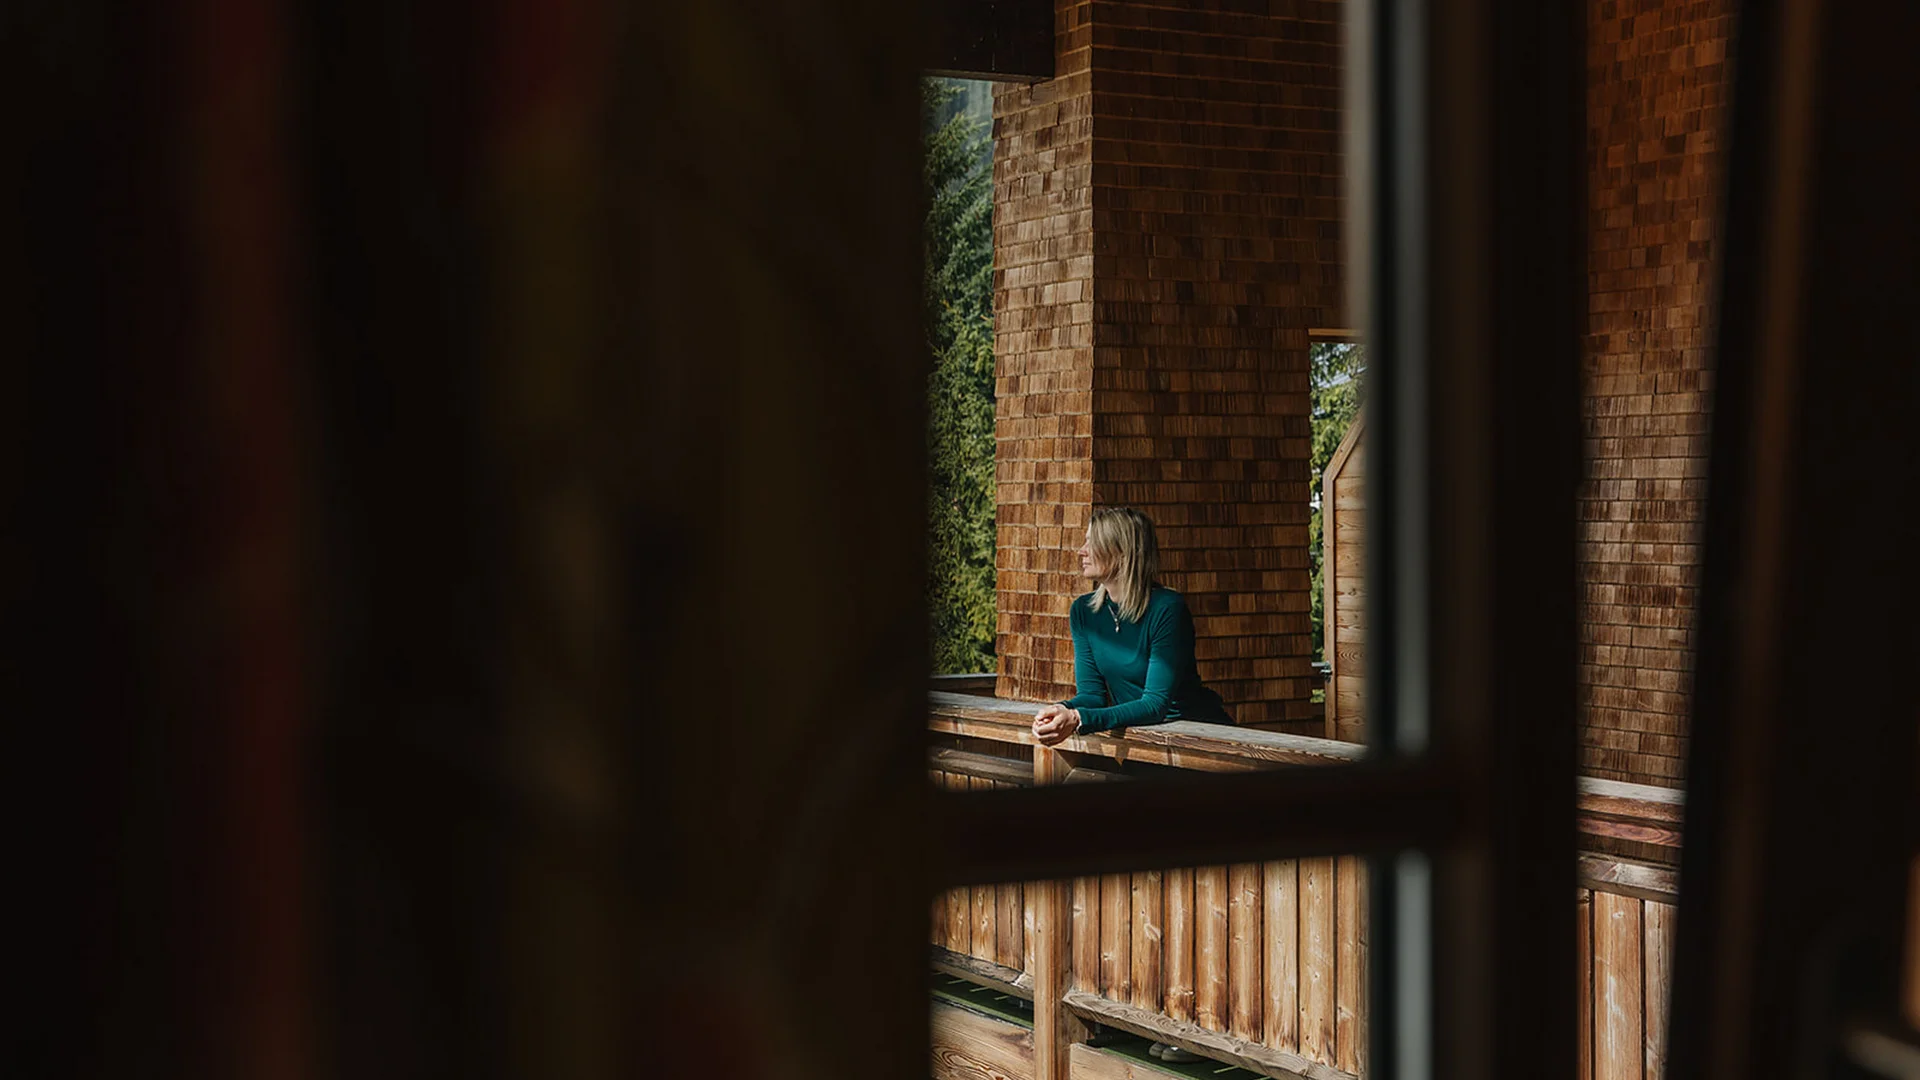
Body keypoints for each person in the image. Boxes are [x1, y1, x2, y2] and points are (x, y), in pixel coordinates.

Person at [1032, 506, 1232, 749]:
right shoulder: (1083, 612)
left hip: (1196, 740)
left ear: (1122, 552)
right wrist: (1061, 709)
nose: (1081, 550)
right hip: (1140, 739)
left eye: (1093, 542)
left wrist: (1078, 718)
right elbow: (1092, 696)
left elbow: (1155, 704)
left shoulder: (1167, 609)